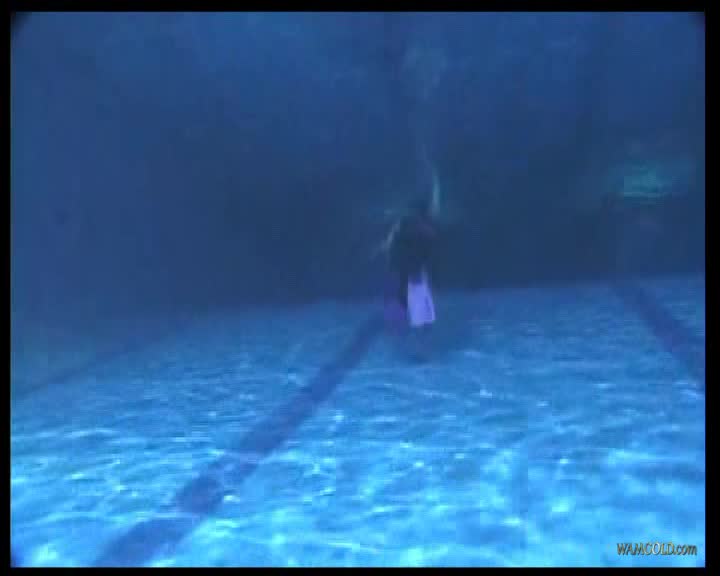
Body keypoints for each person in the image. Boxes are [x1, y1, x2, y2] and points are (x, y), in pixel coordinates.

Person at [376, 170, 441, 329]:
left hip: (409, 262)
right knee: (410, 286)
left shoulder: (411, 224)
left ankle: (414, 318)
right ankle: (412, 318)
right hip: (407, 262)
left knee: (413, 286)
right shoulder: (408, 224)